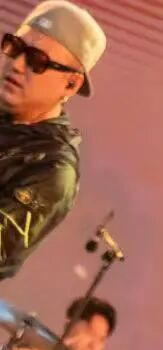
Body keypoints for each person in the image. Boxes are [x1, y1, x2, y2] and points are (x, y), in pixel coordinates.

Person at [0, 2, 105, 280]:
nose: (17, 65)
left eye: (37, 61)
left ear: (71, 84)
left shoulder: (52, 169)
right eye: (15, 48)